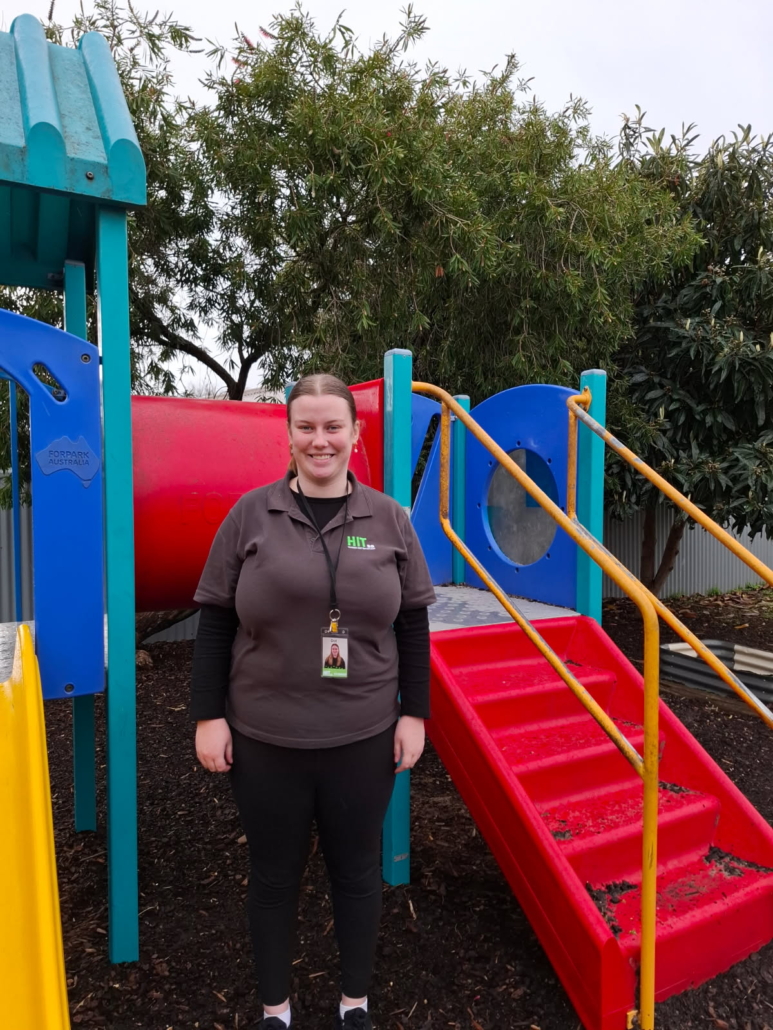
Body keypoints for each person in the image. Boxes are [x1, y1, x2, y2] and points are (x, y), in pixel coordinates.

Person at [190, 373, 436, 1030]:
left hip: (363, 735)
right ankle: (276, 1010)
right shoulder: (250, 514)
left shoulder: (388, 520)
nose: (320, 439)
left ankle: (353, 1003)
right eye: (307, 426)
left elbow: (411, 621)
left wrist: (416, 711)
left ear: (356, 436)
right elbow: (214, 618)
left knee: (356, 873)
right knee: (272, 877)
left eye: (334, 426)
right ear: (289, 434)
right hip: (265, 738)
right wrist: (207, 715)